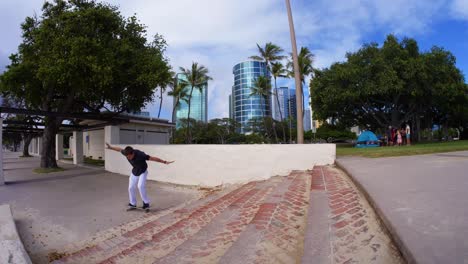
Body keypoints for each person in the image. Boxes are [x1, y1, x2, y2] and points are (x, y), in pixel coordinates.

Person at [106, 143, 174, 209]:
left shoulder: (141, 155)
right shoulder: (126, 152)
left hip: (143, 171)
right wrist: (111, 147)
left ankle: (146, 203)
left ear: (132, 153)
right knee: (131, 188)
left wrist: (164, 162)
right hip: (135, 171)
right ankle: (133, 203)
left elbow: (153, 158)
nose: (128, 158)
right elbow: (119, 149)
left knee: (140, 186)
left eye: (129, 156)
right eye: (127, 156)